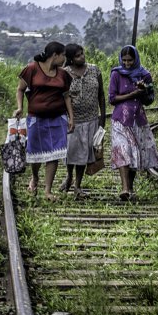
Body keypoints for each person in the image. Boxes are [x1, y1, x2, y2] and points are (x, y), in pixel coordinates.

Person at [13, 41, 74, 201]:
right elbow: (20, 89)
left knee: (54, 154)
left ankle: (48, 190)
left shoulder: (63, 74)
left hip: (58, 117)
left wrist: (71, 117)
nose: (65, 60)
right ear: (55, 55)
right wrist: (20, 108)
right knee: (35, 153)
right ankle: (35, 177)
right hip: (36, 118)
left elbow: (66, 96)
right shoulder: (32, 69)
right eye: (63, 56)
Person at [108, 45, 158, 201]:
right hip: (120, 120)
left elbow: (150, 99)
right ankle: (124, 188)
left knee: (133, 153)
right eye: (124, 60)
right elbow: (112, 98)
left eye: (130, 60)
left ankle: (130, 187)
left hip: (137, 119)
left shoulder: (145, 75)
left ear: (136, 59)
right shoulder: (116, 74)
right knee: (123, 151)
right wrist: (132, 94)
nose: (127, 64)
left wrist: (143, 91)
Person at [58, 44, 106, 198]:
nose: (82, 57)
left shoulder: (94, 70)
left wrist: (102, 118)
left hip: (91, 119)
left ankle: (77, 185)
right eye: (78, 55)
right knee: (71, 152)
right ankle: (69, 176)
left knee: (84, 154)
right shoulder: (65, 73)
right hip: (72, 120)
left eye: (82, 53)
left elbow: (101, 95)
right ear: (71, 59)